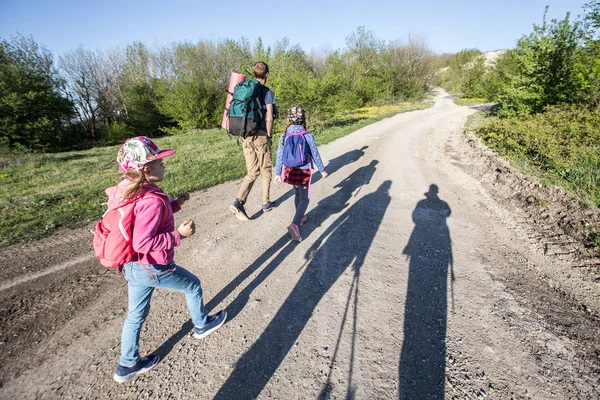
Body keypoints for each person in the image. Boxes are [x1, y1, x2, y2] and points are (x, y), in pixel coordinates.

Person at [110, 136, 227, 383]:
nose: (164, 165)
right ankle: (202, 325)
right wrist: (178, 235)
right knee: (193, 285)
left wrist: (176, 204)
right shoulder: (150, 200)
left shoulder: (129, 190)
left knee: (135, 314)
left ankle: (127, 364)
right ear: (146, 169)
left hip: (131, 265)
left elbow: (144, 220)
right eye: (160, 161)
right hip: (152, 266)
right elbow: (143, 241)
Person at [230, 61, 277, 221]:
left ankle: (238, 201)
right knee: (266, 170)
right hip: (261, 134)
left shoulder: (245, 89)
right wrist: (269, 135)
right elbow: (269, 117)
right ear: (267, 74)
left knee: (252, 172)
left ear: (254, 73)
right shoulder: (266, 92)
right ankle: (265, 203)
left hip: (245, 134)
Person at [274, 106, 328, 241]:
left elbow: (279, 155)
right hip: (304, 169)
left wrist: (277, 173)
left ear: (289, 119)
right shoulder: (306, 135)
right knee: (305, 198)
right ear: (303, 119)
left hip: (289, 170)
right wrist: (322, 170)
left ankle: (301, 216)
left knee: (297, 192)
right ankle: (295, 224)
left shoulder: (284, 135)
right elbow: (315, 153)